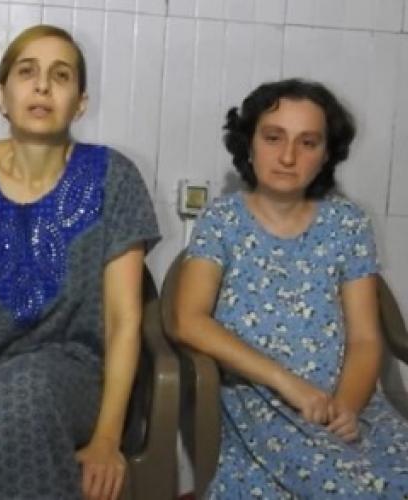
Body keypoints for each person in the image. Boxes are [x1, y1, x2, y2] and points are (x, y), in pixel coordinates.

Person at [0, 24, 160, 500]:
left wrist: (106, 438)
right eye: (26, 72)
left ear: (80, 102)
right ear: (1, 96)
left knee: (29, 390)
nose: (42, 86)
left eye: (60, 76)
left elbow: (124, 319)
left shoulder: (114, 179)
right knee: (9, 410)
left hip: (75, 384)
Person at [172, 78, 408, 498]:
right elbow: (187, 320)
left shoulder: (349, 223)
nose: (287, 156)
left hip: (347, 403)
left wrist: (347, 408)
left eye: (308, 143)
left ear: (327, 154)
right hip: (263, 405)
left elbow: (366, 338)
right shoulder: (221, 220)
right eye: (273, 137)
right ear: (249, 143)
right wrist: (287, 383)